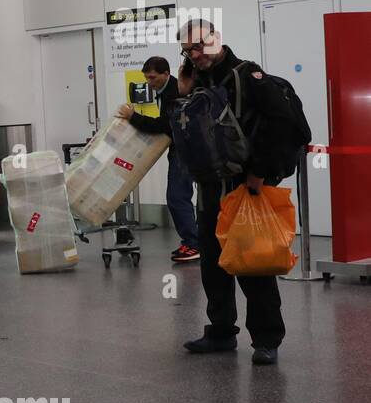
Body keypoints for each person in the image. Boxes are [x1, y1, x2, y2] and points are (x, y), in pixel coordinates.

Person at [176, 20, 293, 365]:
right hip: (212, 189)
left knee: (252, 264)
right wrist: (183, 93)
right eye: (188, 50)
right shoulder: (198, 80)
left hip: (245, 185)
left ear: (217, 39)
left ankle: (267, 339)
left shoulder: (248, 76)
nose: (195, 55)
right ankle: (222, 331)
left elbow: (282, 124)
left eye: (200, 46)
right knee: (214, 263)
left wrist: (260, 173)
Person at [115, 56, 200, 262]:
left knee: (177, 197)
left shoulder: (173, 91)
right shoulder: (164, 91)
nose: (150, 83)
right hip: (182, 148)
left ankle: (193, 244)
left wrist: (133, 117)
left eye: (153, 78)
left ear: (166, 74)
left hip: (185, 149)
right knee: (179, 196)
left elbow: (164, 125)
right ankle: (193, 241)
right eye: (147, 79)